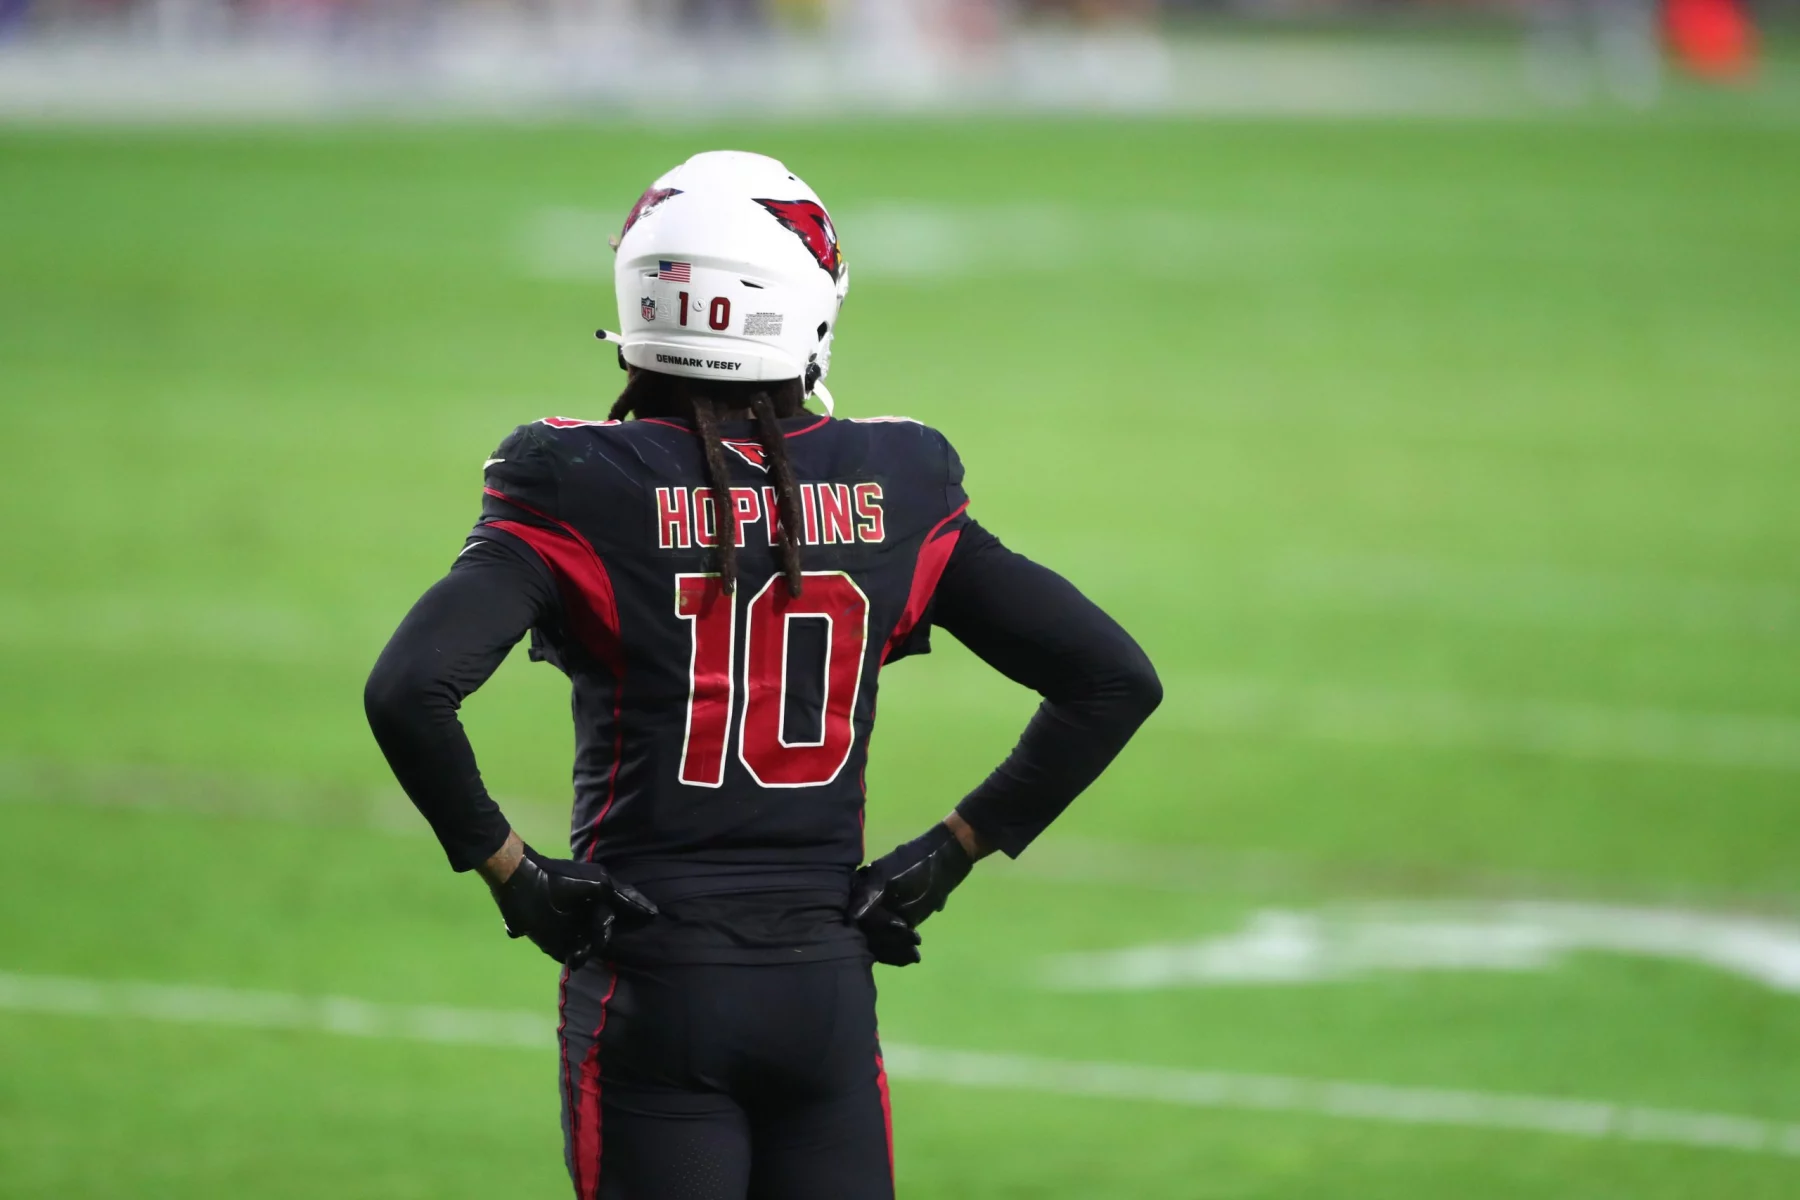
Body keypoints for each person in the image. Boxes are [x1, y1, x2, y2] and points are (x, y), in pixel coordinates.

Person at [364, 150, 1160, 1200]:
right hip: (826, 986)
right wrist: (950, 853)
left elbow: (408, 688)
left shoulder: (575, 482)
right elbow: (1112, 679)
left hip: (650, 979)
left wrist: (513, 874)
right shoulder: (898, 479)